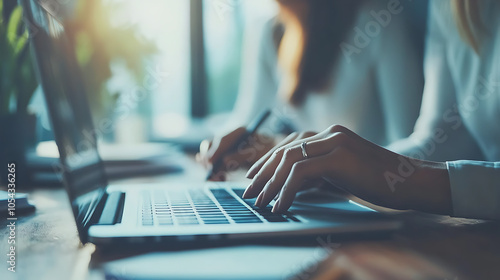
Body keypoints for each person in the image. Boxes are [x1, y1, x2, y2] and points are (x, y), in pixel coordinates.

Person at [243, 0, 500, 220]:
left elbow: (422, 155)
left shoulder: (377, 22)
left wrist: (406, 181)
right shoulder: (453, 6)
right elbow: (440, 141)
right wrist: (333, 169)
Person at [199, 0, 425, 180]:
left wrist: (345, 170)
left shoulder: (378, 22)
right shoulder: (269, 31)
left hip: (370, 204)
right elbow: (250, 119)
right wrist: (229, 145)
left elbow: (415, 154)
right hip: (307, 195)